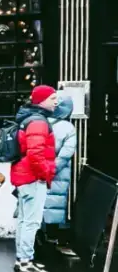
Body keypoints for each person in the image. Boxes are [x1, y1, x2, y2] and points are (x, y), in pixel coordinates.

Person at [10, 84, 58, 272]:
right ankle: (26, 262)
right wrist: (46, 173)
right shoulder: (39, 122)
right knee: (32, 221)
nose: (56, 102)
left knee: (24, 220)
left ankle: (21, 259)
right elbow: (36, 153)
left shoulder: (29, 118)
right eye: (53, 98)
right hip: (32, 177)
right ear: (42, 100)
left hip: (23, 175)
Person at [42, 91, 79, 256]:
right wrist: (52, 169)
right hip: (58, 174)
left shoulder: (41, 123)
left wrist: (43, 169)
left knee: (42, 203)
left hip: (40, 172)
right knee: (55, 204)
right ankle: (54, 239)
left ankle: (40, 239)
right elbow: (65, 154)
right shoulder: (68, 128)